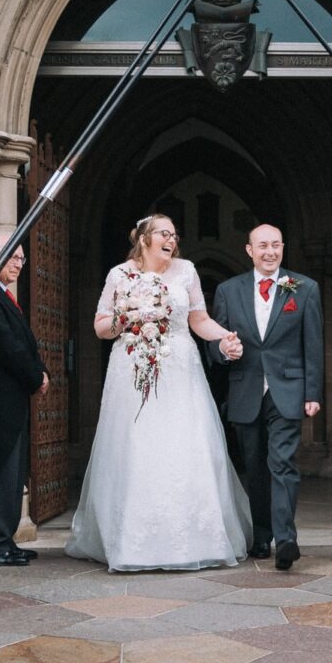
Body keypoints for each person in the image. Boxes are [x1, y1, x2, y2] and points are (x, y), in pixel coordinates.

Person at [66, 214, 251, 571]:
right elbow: (101, 326)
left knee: (185, 444)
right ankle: (132, 542)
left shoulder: (186, 271)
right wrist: (126, 316)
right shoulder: (120, 274)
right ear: (145, 238)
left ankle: (195, 539)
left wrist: (223, 335)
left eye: (174, 234)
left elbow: (198, 320)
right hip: (133, 365)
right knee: (137, 445)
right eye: (164, 233)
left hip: (180, 368)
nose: (172, 239)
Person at [212, 223, 324, 571]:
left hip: (287, 390)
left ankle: (286, 539)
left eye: (275, 245)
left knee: (283, 464)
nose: (270, 252)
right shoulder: (229, 291)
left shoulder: (303, 288)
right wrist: (223, 351)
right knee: (255, 468)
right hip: (246, 390)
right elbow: (213, 347)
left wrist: (313, 392)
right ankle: (261, 536)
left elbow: (314, 344)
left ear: (283, 247)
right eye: (262, 246)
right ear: (249, 250)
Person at [0, 228, 48, 567]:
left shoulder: (3, 294)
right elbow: (7, 345)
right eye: (12, 258)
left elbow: (24, 344)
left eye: (21, 258)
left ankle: (6, 538)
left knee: (13, 474)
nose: (18, 264)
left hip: (11, 399)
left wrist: (38, 371)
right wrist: (36, 377)